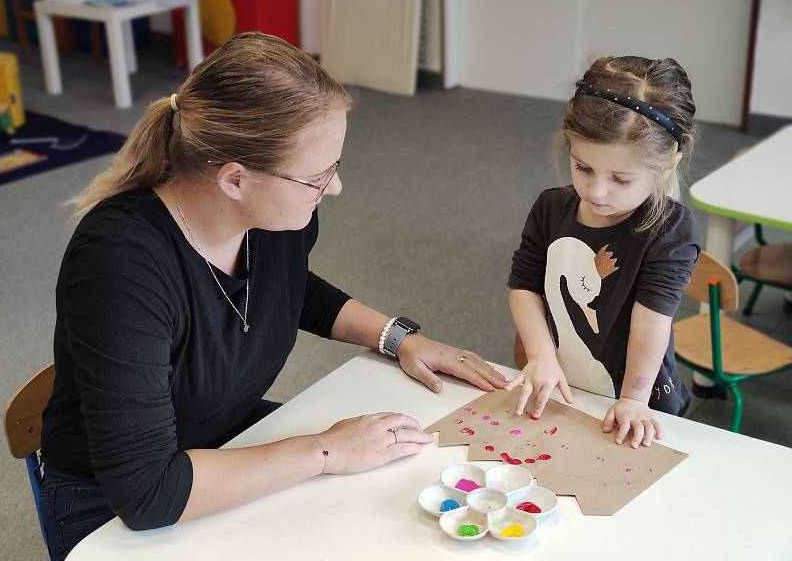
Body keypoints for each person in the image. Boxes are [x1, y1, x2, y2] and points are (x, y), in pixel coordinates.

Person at [38, 32, 506, 561]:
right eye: (316, 176)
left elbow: (285, 289)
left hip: (222, 438)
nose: (334, 189)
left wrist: (396, 337)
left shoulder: (274, 217)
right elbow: (147, 494)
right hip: (113, 504)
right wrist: (325, 451)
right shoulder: (120, 264)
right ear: (235, 180)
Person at [505, 56, 700, 449]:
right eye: (583, 167)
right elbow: (524, 285)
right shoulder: (550, 207)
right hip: (562, 383)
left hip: (637, 397)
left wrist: (632, 399)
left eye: (621, 179)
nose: (596, 192)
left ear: (666, 166)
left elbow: (651, 323)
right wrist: (541, 356)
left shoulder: (669, 231)